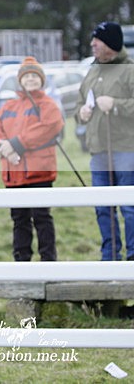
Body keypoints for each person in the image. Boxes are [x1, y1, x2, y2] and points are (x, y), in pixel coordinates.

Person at [0, 57, 63, 262]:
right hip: (14, 173)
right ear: (20, 80)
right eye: (27, 76)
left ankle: (48, 261)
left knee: (41, 217)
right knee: (19, 219)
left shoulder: (48, 105)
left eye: (35, 76)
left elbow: (49, 127)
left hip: (38, 171)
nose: (31, 80)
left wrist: (16, 144)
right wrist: (4, 148)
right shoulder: (8, 107)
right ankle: (22, 261)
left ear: (42, 80)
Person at [77, 21, 134, 261]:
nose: (92, 44)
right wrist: (81, 112)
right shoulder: (92, 70)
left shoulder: (130, 70)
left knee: (129, 206)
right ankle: (110, 255)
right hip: (98, 150)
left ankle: (133, 255)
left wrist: (116, 105)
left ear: (110, 43)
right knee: (102, 206)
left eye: (96, 41)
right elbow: (80, 101)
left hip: (125, 149)